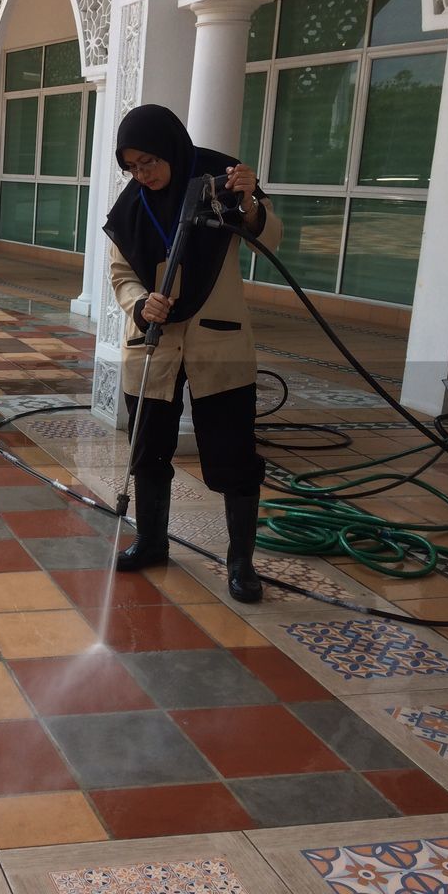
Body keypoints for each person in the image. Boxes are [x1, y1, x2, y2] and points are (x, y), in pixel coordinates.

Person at [104, 104, 282, 603]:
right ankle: (153, 540)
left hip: (216, 340)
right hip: (153, 345)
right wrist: (141, 304)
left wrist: (248, 202)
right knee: (149, 450)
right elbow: (120, 273)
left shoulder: (219, 183)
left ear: (171, 148)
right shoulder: (131, 206)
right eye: (133, 166)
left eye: (151, 161)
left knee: (233, 453)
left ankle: (241, 562)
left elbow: (270, 236)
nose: (144, 173)